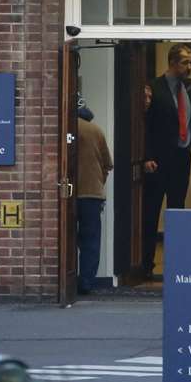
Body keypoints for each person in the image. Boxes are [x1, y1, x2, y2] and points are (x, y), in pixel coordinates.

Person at [141, 43, 191, 278]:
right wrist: (147, 155)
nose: (189, 66)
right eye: (185, 62)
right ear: (173, 62)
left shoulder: (188, 87)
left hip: (181, 157)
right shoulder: (153, 87)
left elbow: (188, 121)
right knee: (151, 211)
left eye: (190, 61)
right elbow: (144, 125)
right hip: (158, 160)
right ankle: (145, 265)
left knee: (177, 211)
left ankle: (176, 264)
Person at [75, 100, 113, 295]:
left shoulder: (65, 128)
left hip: (69, 193)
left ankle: (66, 278)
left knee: (66, 238)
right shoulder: (96, 131)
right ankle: (86, 282)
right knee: (90, 240)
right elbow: (108, 163)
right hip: (92, 193)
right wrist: (99, 180)